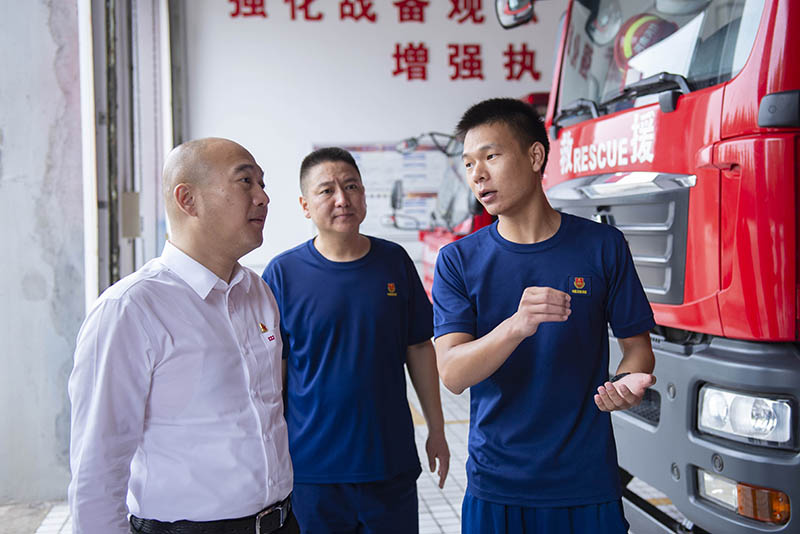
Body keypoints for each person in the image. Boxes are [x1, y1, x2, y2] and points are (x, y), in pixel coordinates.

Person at [432, 98, 657, 534]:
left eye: (491, 156)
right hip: (497, 485)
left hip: (587, 482)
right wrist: (515, 327)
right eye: (469, 163)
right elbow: (454, 374)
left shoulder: (602, 246)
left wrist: (628, 383)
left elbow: (638, 350)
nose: (477, 174)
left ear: (535, 156)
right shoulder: (458, 261)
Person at [68, 138, 299, 534]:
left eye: (262, 183)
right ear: (187, 199)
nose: (263, 197)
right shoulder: (131, 309)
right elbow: (97, 470)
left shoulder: (256, 292)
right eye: (245, 181)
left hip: (280, 522)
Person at [262, 147, 450, 534]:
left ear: (364, 195)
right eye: (326, 190)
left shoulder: (395, 262)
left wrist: (437, 429)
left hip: (389, 463)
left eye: (351, 187)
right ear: (305, 205)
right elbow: (273, 376)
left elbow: (419, 347)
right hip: (313, 471)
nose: (342, 199)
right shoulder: (282, 274)